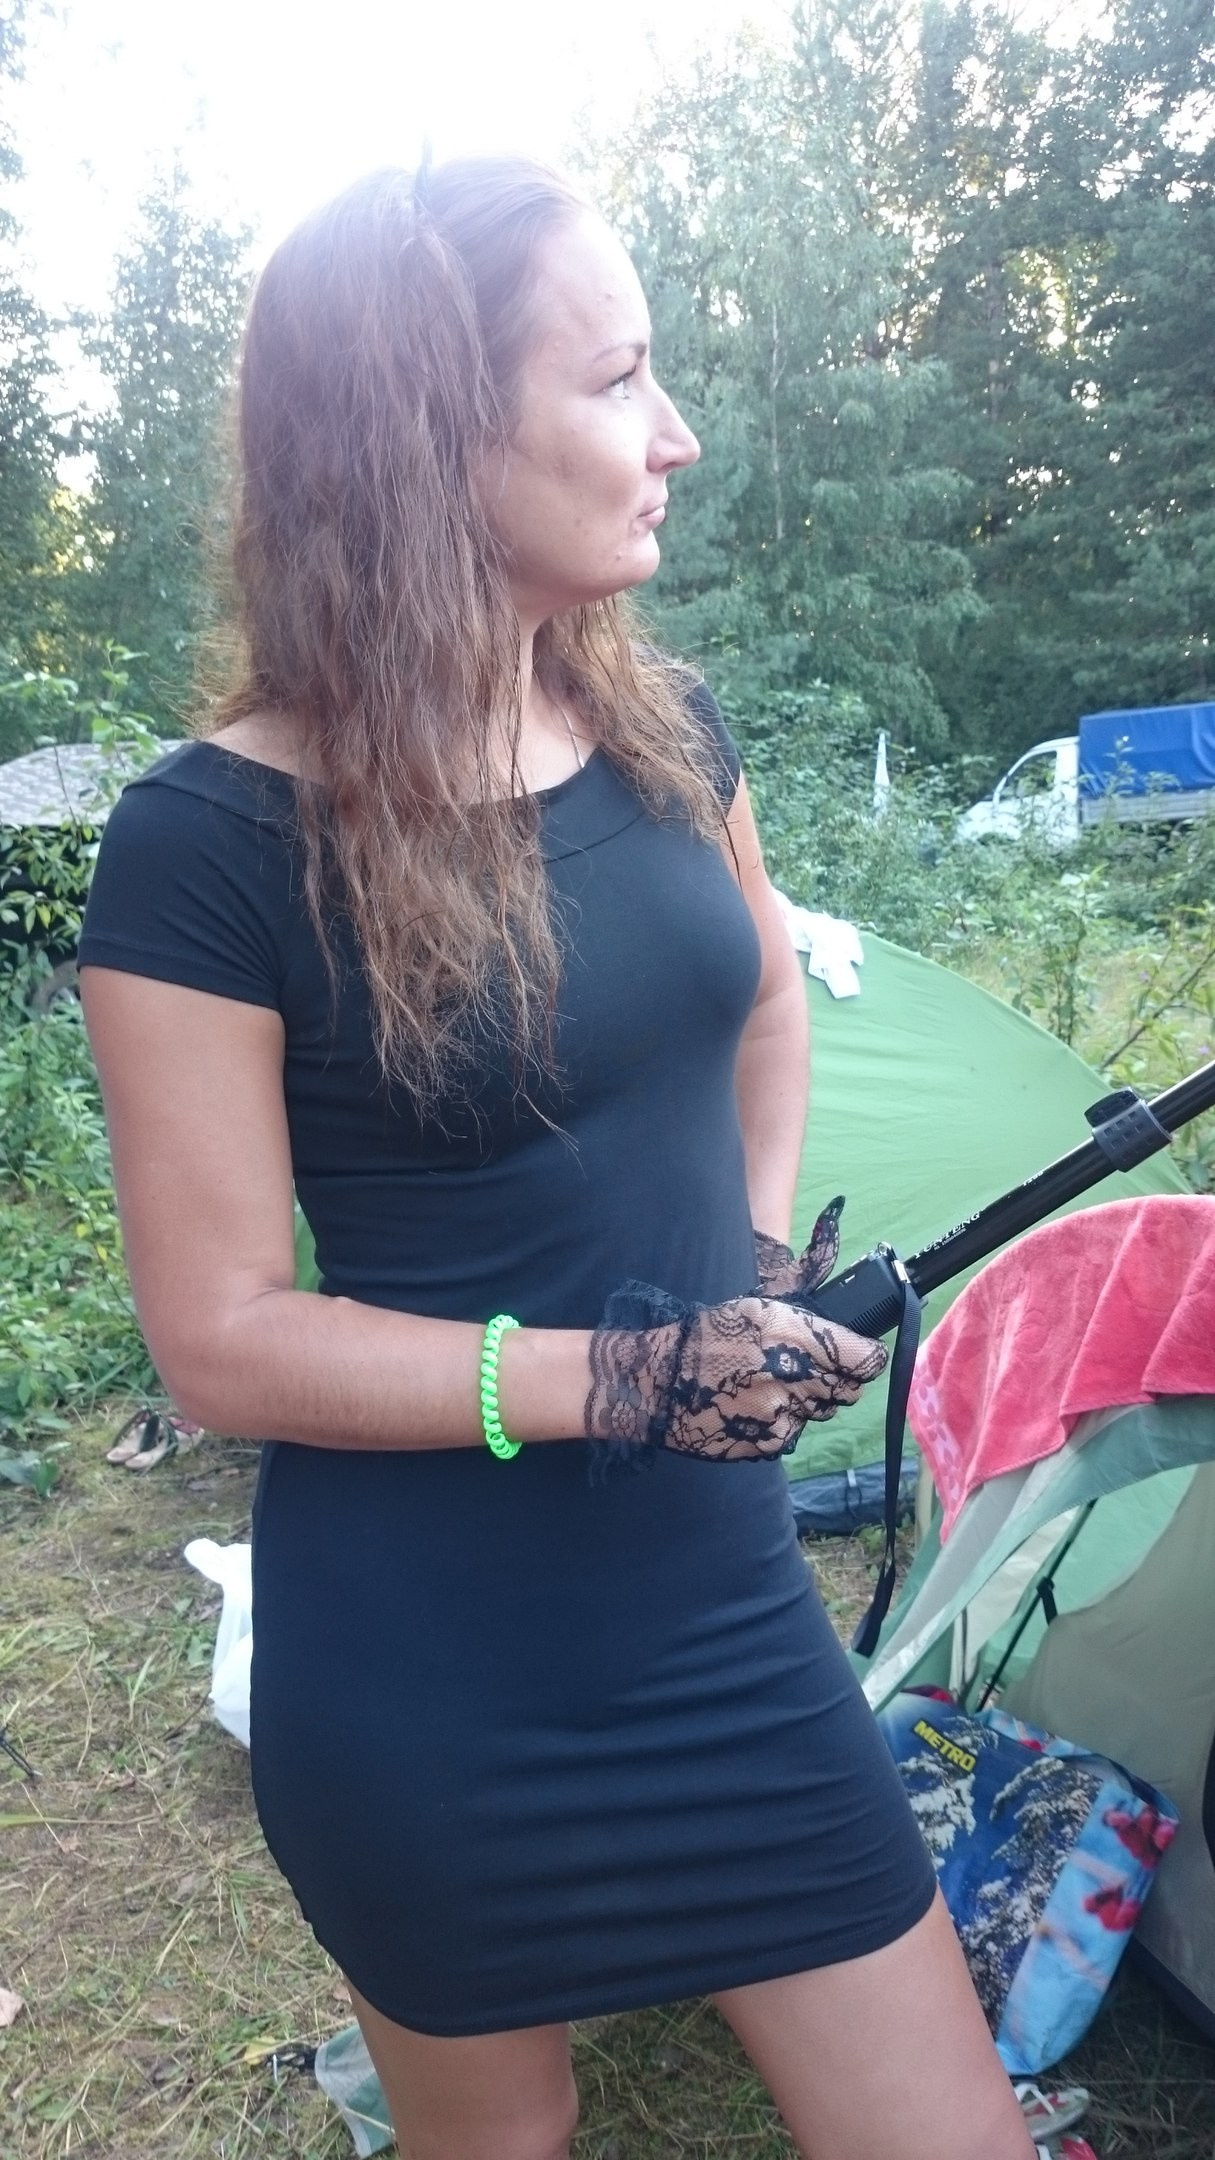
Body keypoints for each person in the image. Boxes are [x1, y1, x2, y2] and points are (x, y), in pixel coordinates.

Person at [79, 160, 1034, 2160]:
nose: (673, 434)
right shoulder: (204, 847)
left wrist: (750, 1262)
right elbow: (221, 1340)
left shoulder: (668, 729)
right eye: (613, 379)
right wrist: (630, 1375)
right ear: (424, 438)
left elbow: (763, 1007)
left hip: (719, 1610)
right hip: (430, 1673)